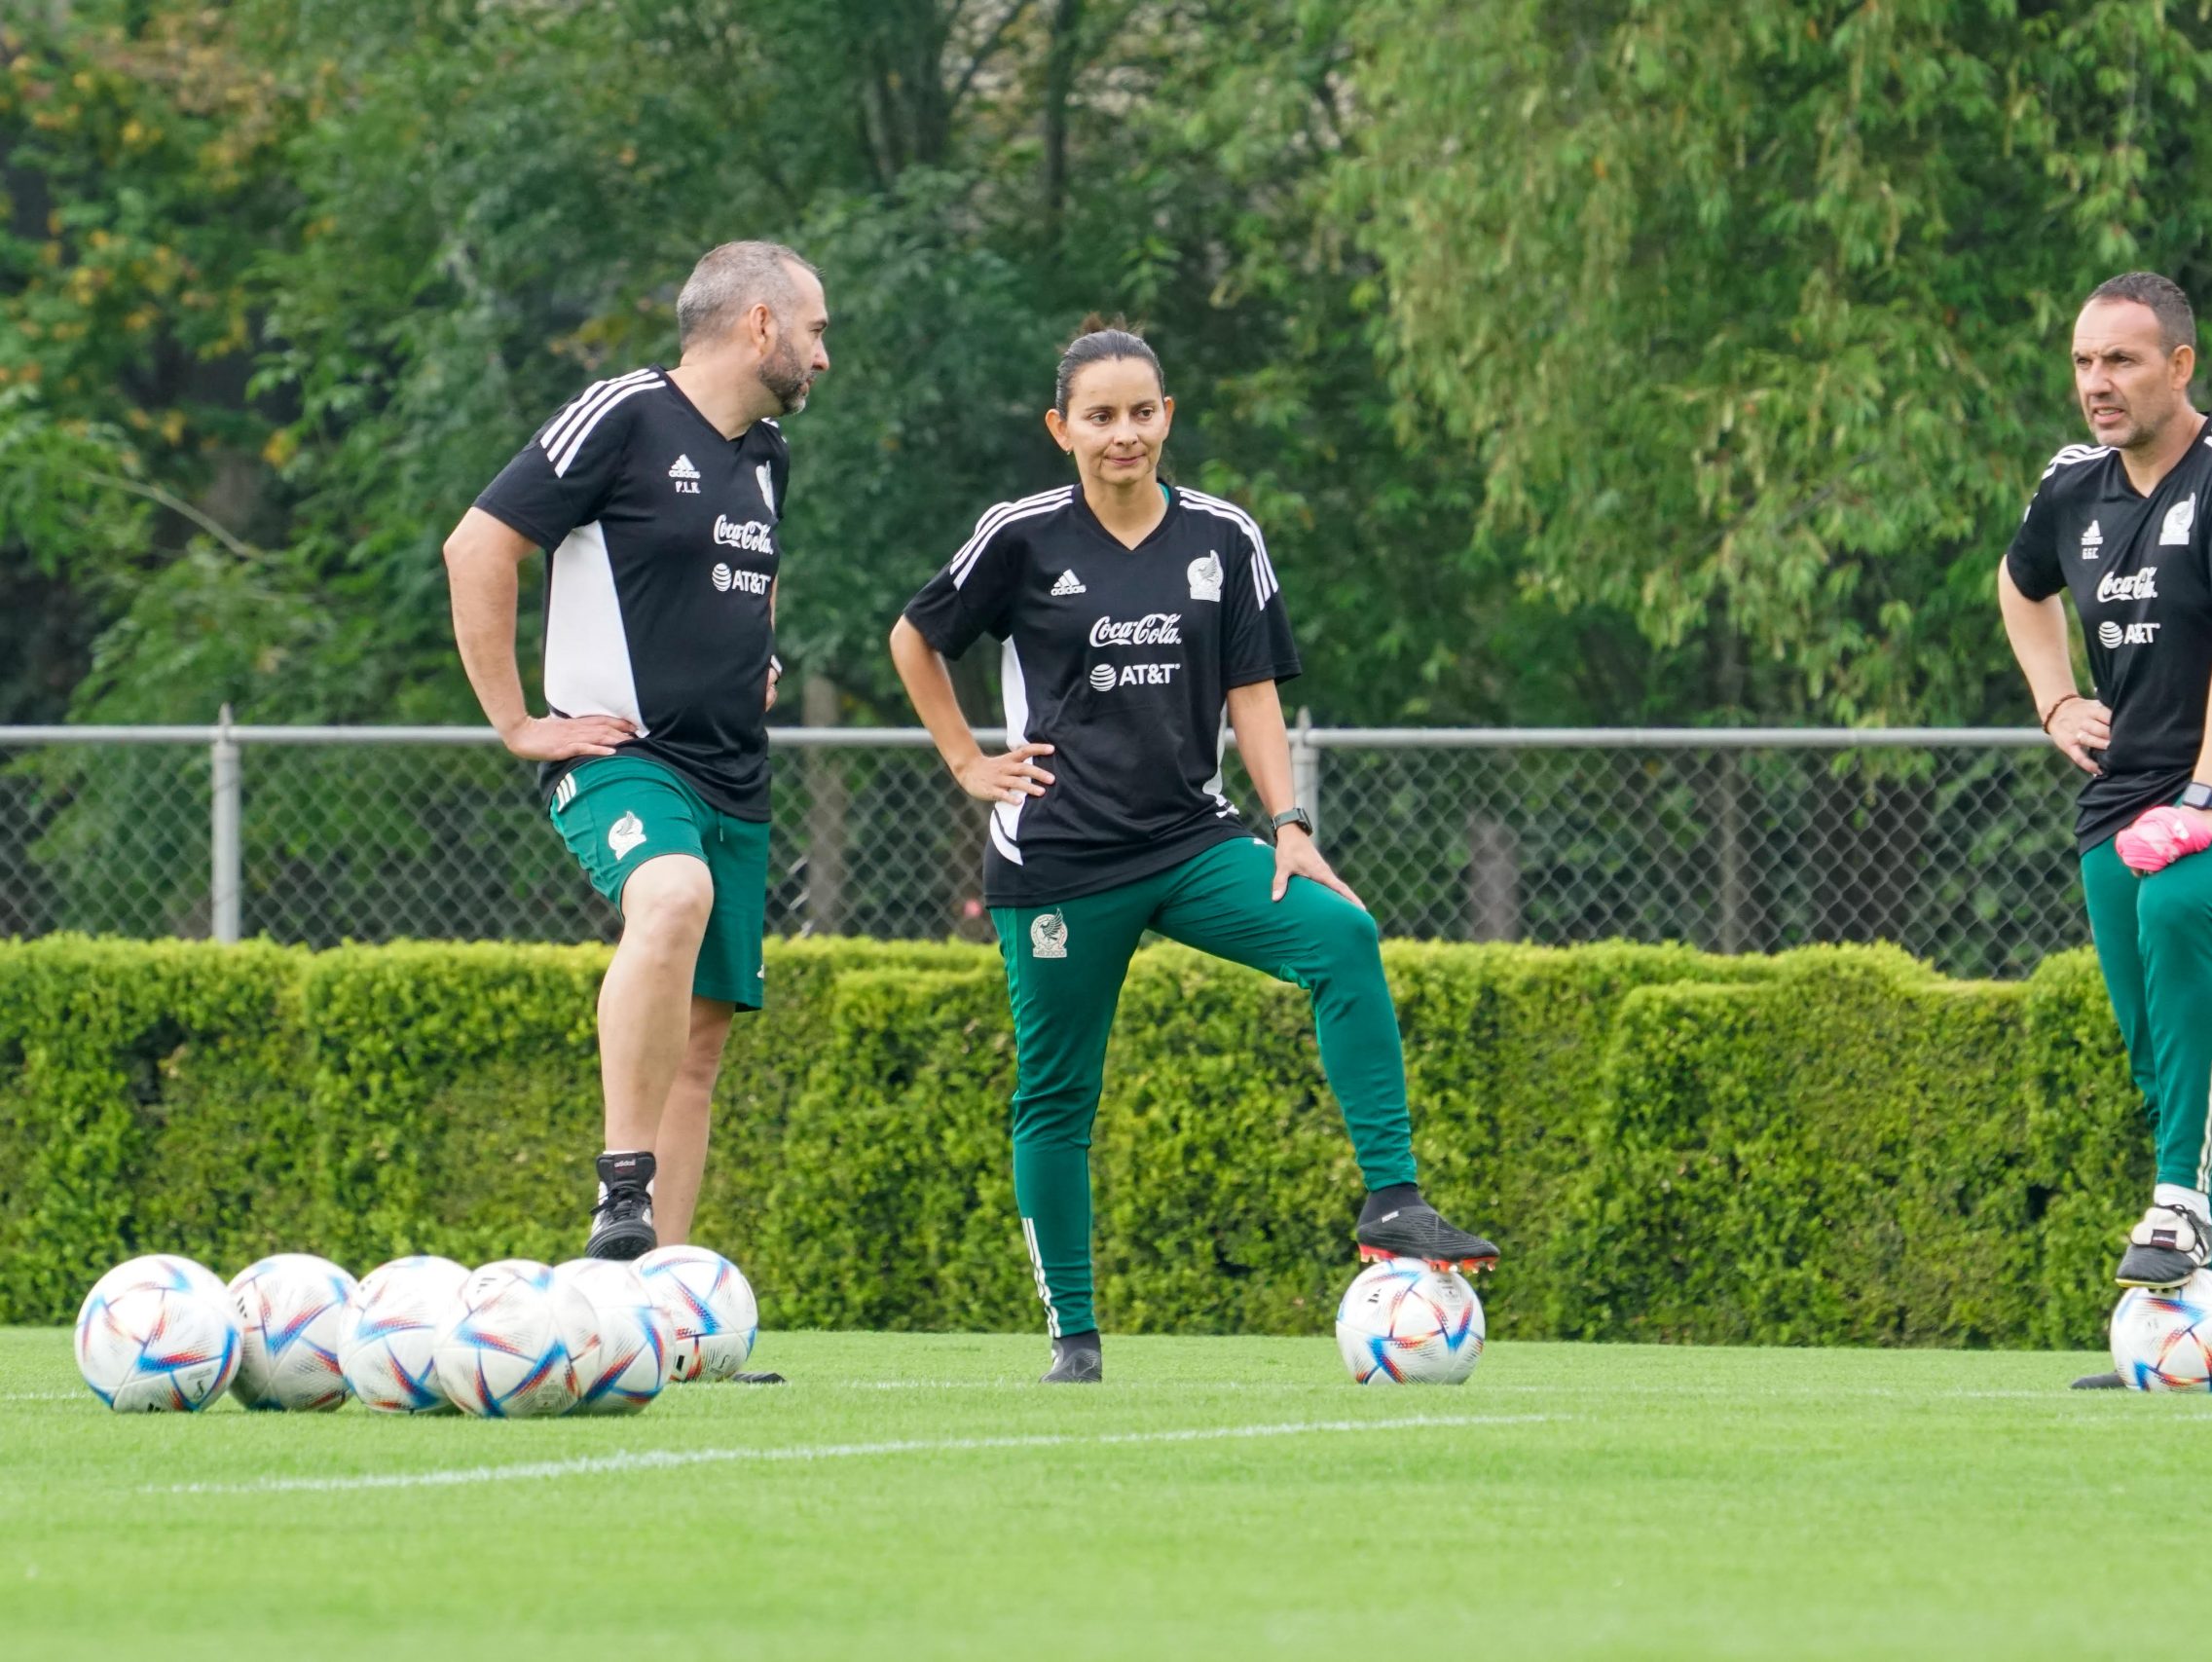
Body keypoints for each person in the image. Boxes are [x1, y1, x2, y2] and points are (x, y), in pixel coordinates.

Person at [888, 316, 1498, 1384]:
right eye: (1099, 417)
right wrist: (965, 763)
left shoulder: (1224, 537)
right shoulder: (1020, 533)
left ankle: (1392, 1200)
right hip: (1059, 863)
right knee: (1056, 1096)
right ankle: (1073, 1336)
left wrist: (1290, 825)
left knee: (1341, 936)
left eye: (1140, 413)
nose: (1122, 434)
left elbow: (1252, 692)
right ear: (1061, 428)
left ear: (1166, 417)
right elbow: (915, 635)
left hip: (1191, 841)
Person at [443, 240, 829, 1262]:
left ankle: (661, 1309)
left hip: (734, 775)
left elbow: (752, 572)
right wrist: (519, 722)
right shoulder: (620, 413)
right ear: (759, 325)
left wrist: (761, 650)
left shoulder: (768, 456)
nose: (822, 356)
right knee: (670, 896)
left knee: (701, 1048)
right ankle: (622, 1191)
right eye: (815, 330)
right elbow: (478, 546)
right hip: (624, 757)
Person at [1997, 273, 2212, 1384]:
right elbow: (2019, 585)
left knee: (2183, 904)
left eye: (2123, 361)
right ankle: (2209, 1323)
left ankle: (2183, 1209)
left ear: (2179, 366)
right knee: (2165, 1060)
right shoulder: (2070, 483)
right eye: (2084, 361)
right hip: (2122, 789)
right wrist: (2054, 699)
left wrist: (2203, 799)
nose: (2097, 384)